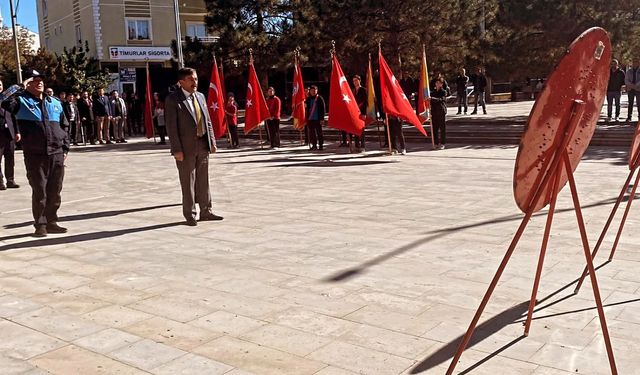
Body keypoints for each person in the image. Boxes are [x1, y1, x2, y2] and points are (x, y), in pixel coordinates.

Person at [2, 69, 69, 237]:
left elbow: (65, 125)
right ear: (27, 84)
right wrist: (20, 85)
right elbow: (2, 99)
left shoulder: (54, 102)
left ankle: (52, 221)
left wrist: (65, 148)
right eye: (34, 80)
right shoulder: (21, 102)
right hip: (35, 154)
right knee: (40, 190)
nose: (39, 82)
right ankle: (40, 224)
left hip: (56, 153)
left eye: (41, 80)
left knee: (55, 190)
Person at [165, 67, 222, 226]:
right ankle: (190, 214)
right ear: (181, 82)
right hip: (185, 148)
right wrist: (176, 149)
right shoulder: (173, 99)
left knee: (203, 180)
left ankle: (206, 211)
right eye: (191, 79)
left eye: (196, 79)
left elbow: (207, 121)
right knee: (188, 181)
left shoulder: (201, 96)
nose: (194, 82)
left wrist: (212, 142)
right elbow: (171, 127)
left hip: (203, 144)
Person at [0, 80, 20, 190]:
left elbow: (13, 116)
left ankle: (10, 180)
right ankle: (0, 182)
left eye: (0, 85)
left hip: (10, 134)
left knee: (10, 159)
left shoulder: (8, 100)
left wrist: (17, 131)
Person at [305, 85, 326, 150]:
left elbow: (323, 109)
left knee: (319, 132)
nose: (313, 92)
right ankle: (314, 145)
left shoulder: (319, 98)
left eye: (314, 90)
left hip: (318, 118)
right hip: (310, 119)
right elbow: (306, 109)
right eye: (312, 90)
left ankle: (321, 145)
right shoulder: (308, 99)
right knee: (312, 133)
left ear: (317, 91)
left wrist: (322, 118)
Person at [431, 78, 448, 150]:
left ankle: (442, 143)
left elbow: (441, 100)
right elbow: (431, 101)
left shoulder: (443, 91)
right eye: (436, 83)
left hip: (441, 111)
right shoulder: (433, 92)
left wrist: (432, 98)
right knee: (435, 129)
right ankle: (436, 143)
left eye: (439, 83)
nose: (437, 84)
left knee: (442, 128)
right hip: (434, 112)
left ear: (441, 84)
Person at [352, 75, 367, 152]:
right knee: (355, 129)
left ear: (359, 80)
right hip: (355, 113)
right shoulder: (353, 90)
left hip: (361, 112)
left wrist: (364, 113)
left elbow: (365, 102)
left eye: (356, 80)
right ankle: (357, 146)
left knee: (361, 130)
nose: (355, 82)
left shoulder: (363, 90)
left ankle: (363, 146)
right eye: (353, 81)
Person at [625, 58, 640, 122]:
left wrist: (636, 85)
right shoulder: (629, 71)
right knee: (630, 103)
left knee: (639, 103)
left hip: (638, 89)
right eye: (634, 62)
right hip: (631, 89)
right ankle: (629, 117)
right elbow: (626, 80)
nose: (635, 63)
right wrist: (632, 86)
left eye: (636, 62)